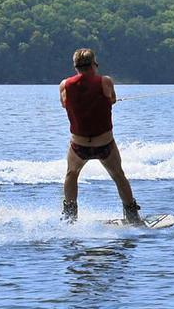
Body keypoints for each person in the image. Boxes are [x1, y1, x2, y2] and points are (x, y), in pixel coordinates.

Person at [59, 48, 142, 225]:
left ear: (75, 66)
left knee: (71, 174)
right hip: (104, 144)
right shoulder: (105, 81)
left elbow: (64, 104)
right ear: (94, 64)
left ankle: (70, 217)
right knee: (119, 175)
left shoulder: (65, 85)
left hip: (79, 146)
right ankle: (132, 214)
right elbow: (112, 99)